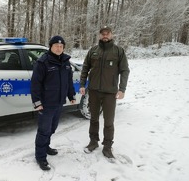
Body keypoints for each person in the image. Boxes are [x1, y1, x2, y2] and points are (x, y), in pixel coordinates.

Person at [79, 26, 130, 159]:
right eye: (103, 34)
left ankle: (107, 146)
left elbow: (125, 70)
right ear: (99, 36)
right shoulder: (93, 51)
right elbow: (85, 68)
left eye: (107, 33)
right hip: (94, 91)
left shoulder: (118, 51)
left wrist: (122, 89)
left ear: (111, 35)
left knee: (109, 121)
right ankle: (93, 142)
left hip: (110, 93)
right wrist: (82, 84)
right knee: (93, 118)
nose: (105, 35)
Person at [31, 35, 76, 170]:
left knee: (52, 128)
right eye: (56, 46)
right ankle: (40, 157)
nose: (59, 48)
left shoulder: (66, 62)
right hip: (46, 103)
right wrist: (37, 102)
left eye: (61, 46)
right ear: (50, 47)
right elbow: (35, 84)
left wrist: (71, 95)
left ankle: (46, 146)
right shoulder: (43, 62)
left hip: (59, 102)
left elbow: (69, 81)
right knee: (44, 130)